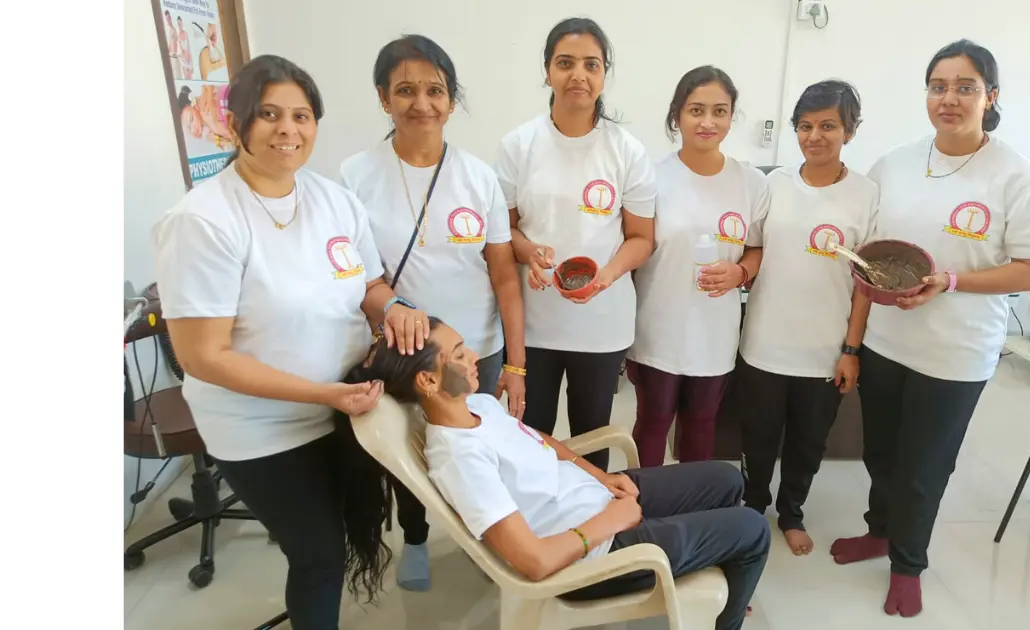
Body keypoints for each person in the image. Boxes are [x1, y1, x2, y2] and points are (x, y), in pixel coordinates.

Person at [151, 54, 429, 630]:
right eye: (269, 114)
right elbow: (203, 356)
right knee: (317, 553)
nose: (288, 130)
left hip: (344, 404)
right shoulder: (204, 221)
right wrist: (321, 393)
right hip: (260, 429)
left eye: (302, 116)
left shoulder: (332, 200)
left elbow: (367, 284)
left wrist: (395, 307)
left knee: (342, 536)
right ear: (237, 124)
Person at [339, 318, 771, 630]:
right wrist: (609, 523)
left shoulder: (479, 406)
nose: (473, 357)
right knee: (752, 528)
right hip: (594, 555)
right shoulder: (459, 458)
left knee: (728, 480)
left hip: (598, 501)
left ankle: (712, 570)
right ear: (429, 384)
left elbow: (541, 440)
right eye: (458, 355)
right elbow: (534, 561)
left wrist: (601, 479)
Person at [830, 40, 1030, 618]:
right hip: (886, 343)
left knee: (924, 467)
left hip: (957, 353)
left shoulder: (1017, 176)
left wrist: (949, 281)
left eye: (964, 86)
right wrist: (853, 343)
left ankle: (908, 565)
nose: (948, 99)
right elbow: (866, 258)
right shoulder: (895, 164)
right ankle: (879, 532)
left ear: (991, 96)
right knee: (880, 453)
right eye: (938, 86)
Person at [340, 34, 526, 593]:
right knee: (414, 456)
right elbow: (359, 277)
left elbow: (503, 277)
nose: (421, 102)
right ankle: (417, 538)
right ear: (382, 97)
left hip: (479, 349)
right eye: (405, 90)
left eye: (435, 90)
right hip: (405, 353)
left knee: (476, 447)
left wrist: (515, 365)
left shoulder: (478, 176)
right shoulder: (355, 176)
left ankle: (489, 537)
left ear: (451, 98)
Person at [494, 17, 656, 471]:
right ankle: (540, 531)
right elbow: (501, 230)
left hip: (601, 324)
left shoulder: (626, 150)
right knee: (533, 433)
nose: (578, 75)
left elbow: (642, 238)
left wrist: (606, 276)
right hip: (535, 323)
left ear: (605, 74)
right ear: (547, 71)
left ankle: (590, 528)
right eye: (565, 63)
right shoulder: (518, 145)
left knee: (592, 435)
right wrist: (527, 251)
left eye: (591, 64)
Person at [736, 80, 877, 558]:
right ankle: (752, 507)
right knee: (756, 436)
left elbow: (866, 284)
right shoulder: (772, 184)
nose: (814, 136)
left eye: (828, 126)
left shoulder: (866, 195)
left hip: (823, 350)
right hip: (763, 343)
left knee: (807, 442)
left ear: (850, 131)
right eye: (805, 126)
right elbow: (753, 247)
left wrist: (851, 351)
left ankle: (791, 512)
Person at [625, 66, 768, 467]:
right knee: (653, 421)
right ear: (677, 116)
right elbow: (634, 248)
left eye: (719, 111)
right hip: (658, 324)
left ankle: (692, 510)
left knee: (702, 422)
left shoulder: (751, 182)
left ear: (731, 116)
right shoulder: (651, 177)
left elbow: (756, 249)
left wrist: (740, 272)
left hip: (715, 331)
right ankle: (645, 507)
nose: (708, 122)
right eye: (696, 110)